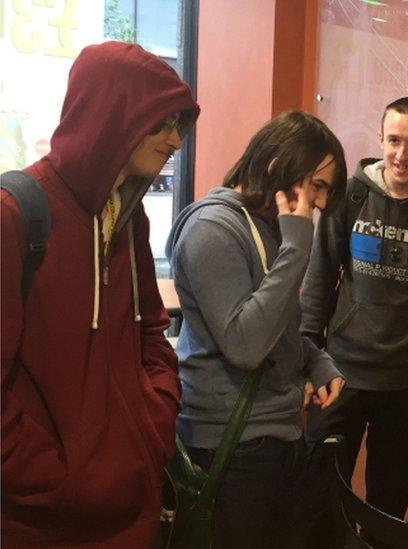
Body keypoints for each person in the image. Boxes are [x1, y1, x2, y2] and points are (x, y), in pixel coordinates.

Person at [0, 41, 199, 546]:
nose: (175, 139)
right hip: (43, 522)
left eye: (178, 123)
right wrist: (56, 479)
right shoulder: (16, 214)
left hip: (132, 507)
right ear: (113, 114)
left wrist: (156, 415)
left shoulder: (129, 216)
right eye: (160, 122)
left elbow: (151, 330)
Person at [164, 110, 347, 548]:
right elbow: (245, 344)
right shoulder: (213, 228)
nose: (319, 203)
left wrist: (315, 359)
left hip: (275, 435)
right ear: (276, 167)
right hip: (232, 444)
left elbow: (277, 327)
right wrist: (297, 248)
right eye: (316, 186)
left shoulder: (270, 228)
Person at [300, 96, 408, 519]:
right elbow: (319, 278)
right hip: (339, 373)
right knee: (318, 494)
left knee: (389, 503)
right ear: (379, 138)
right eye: (393, 140)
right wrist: (307, 358)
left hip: (407, 379)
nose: (401, 154)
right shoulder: (350, 197)